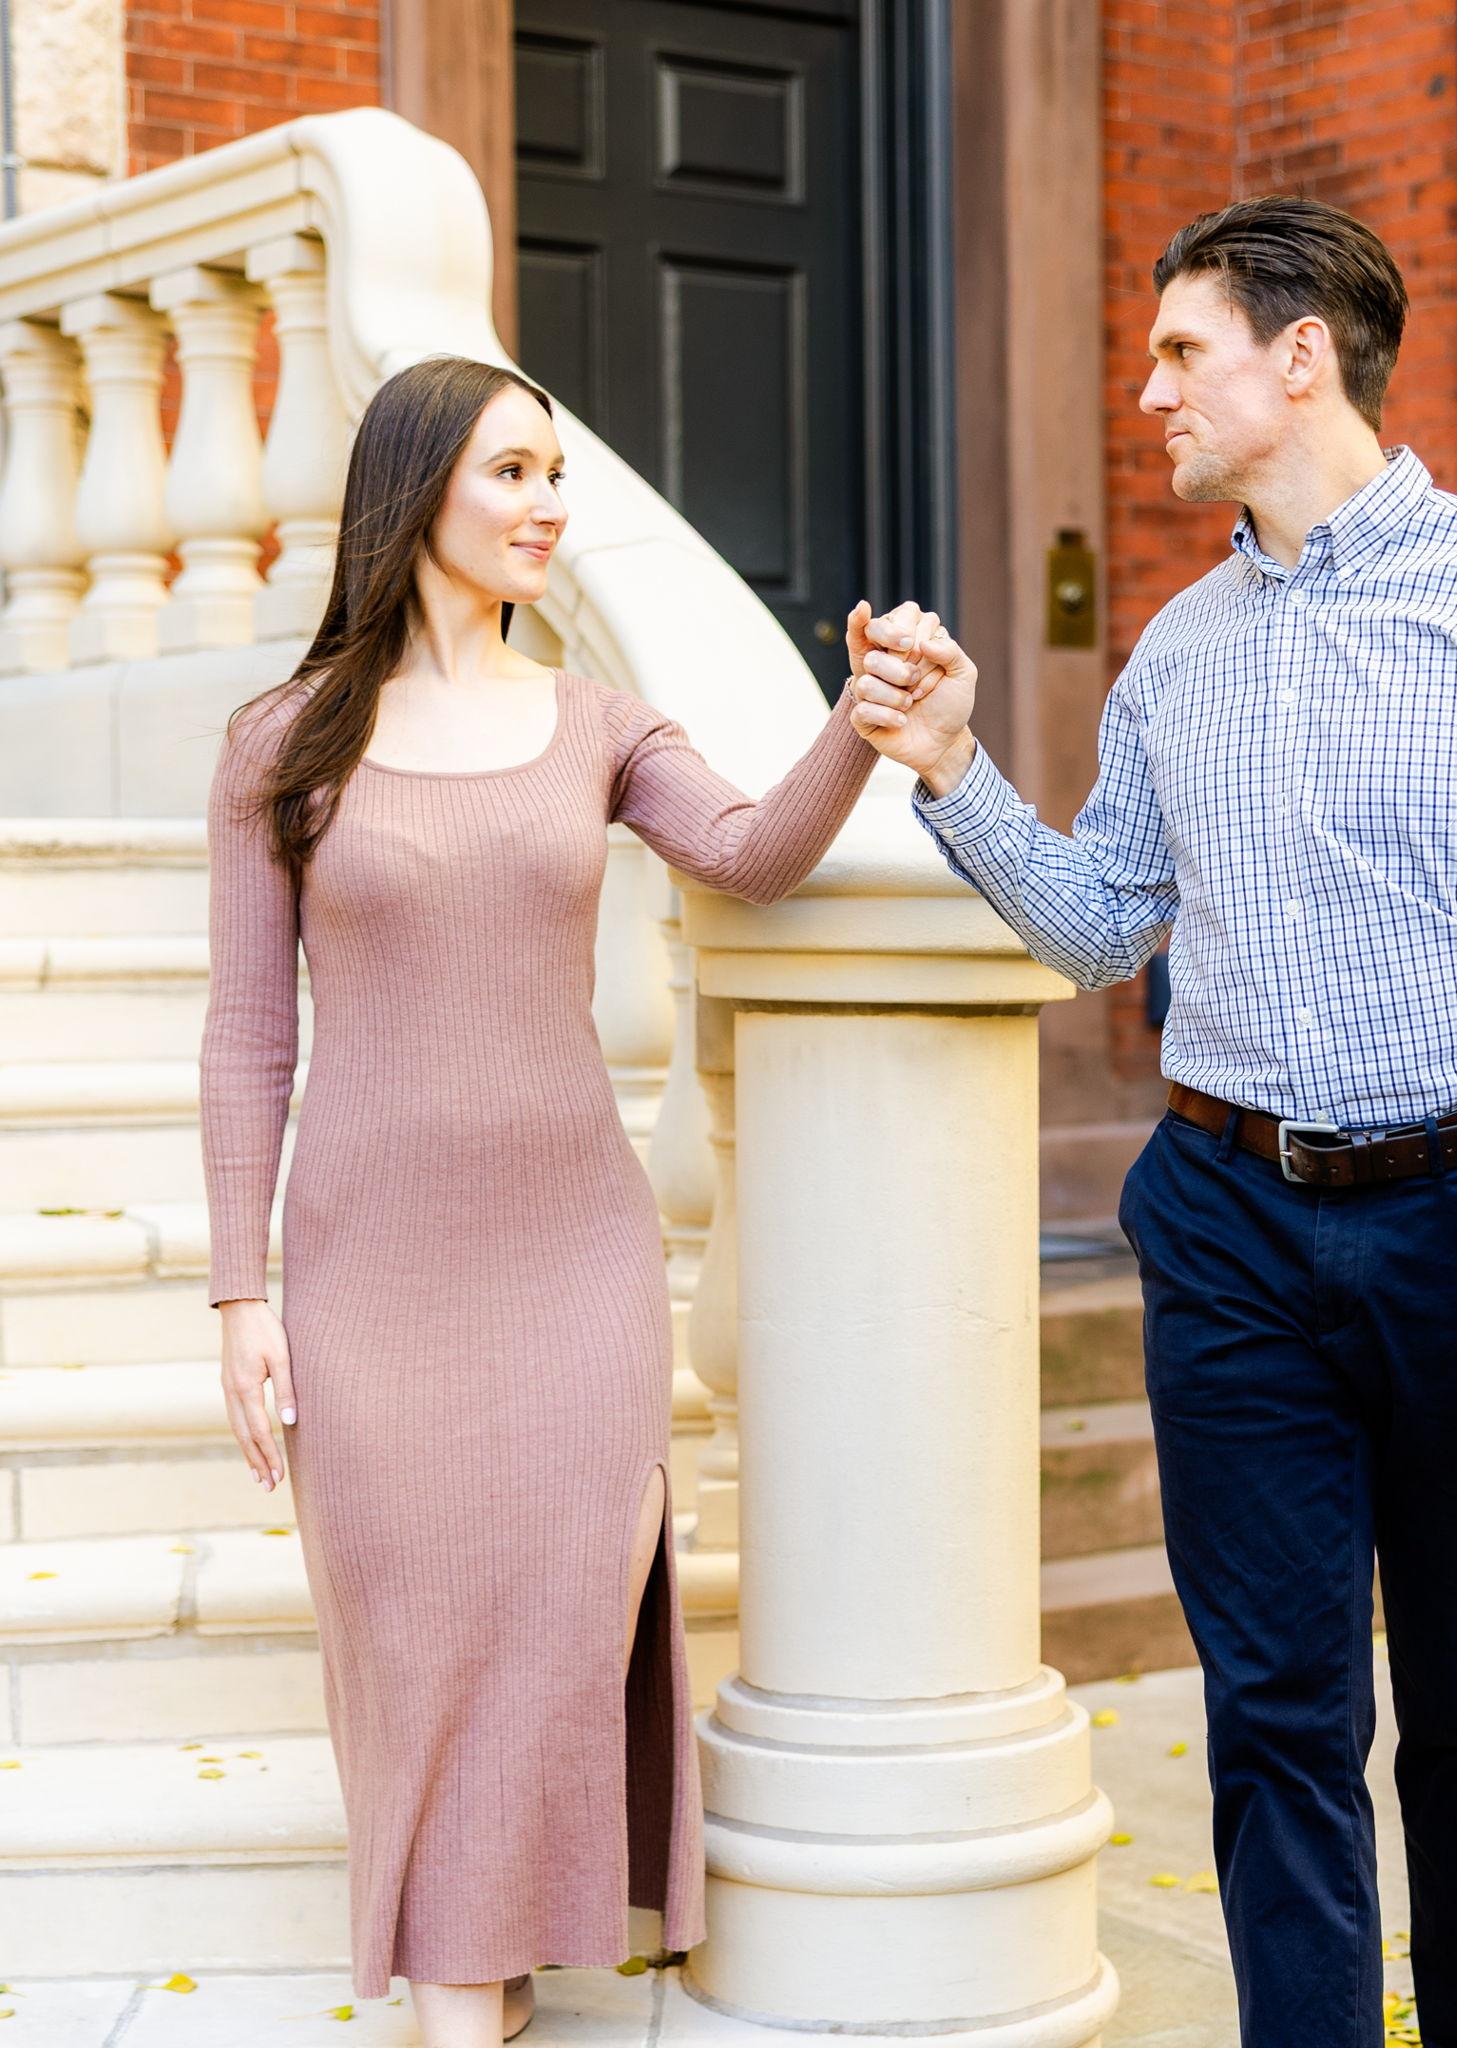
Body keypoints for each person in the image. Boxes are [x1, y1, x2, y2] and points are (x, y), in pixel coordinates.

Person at [845, 197, 1457, 2046]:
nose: (1148, 393)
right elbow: (1099, 929)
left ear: (1302, 358)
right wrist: (956, 765)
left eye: (1179, 353)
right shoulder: (1177, 650)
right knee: (1275, 1715)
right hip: (1224, 1221)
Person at [198, 355, 888, 2048]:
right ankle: (468, 1980)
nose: (549, 505)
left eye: (556, 474)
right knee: (416, 1631)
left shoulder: (597, 725)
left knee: (551, 1626)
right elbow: (247, 1034)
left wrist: (859, 723)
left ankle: (473, 1989)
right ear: (417, 486)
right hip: (368, 1277)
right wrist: (237, 1292)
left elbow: (750, 852)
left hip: (576, 1267)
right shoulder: (281, 744)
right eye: (512, 472)